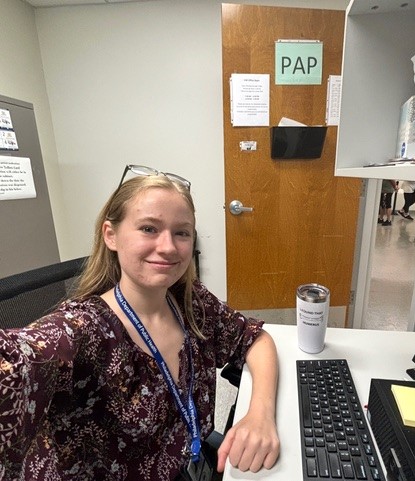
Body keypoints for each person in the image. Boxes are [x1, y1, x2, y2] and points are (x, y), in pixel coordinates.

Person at [0, 165, 280, 481]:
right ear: (111, 235)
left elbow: (255, 338)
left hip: (189, 466)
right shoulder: (80, 331)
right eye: (148, 228)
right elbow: (18, 360)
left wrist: (260, 414)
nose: (168, 247)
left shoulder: (190, 302)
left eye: (182, 232)